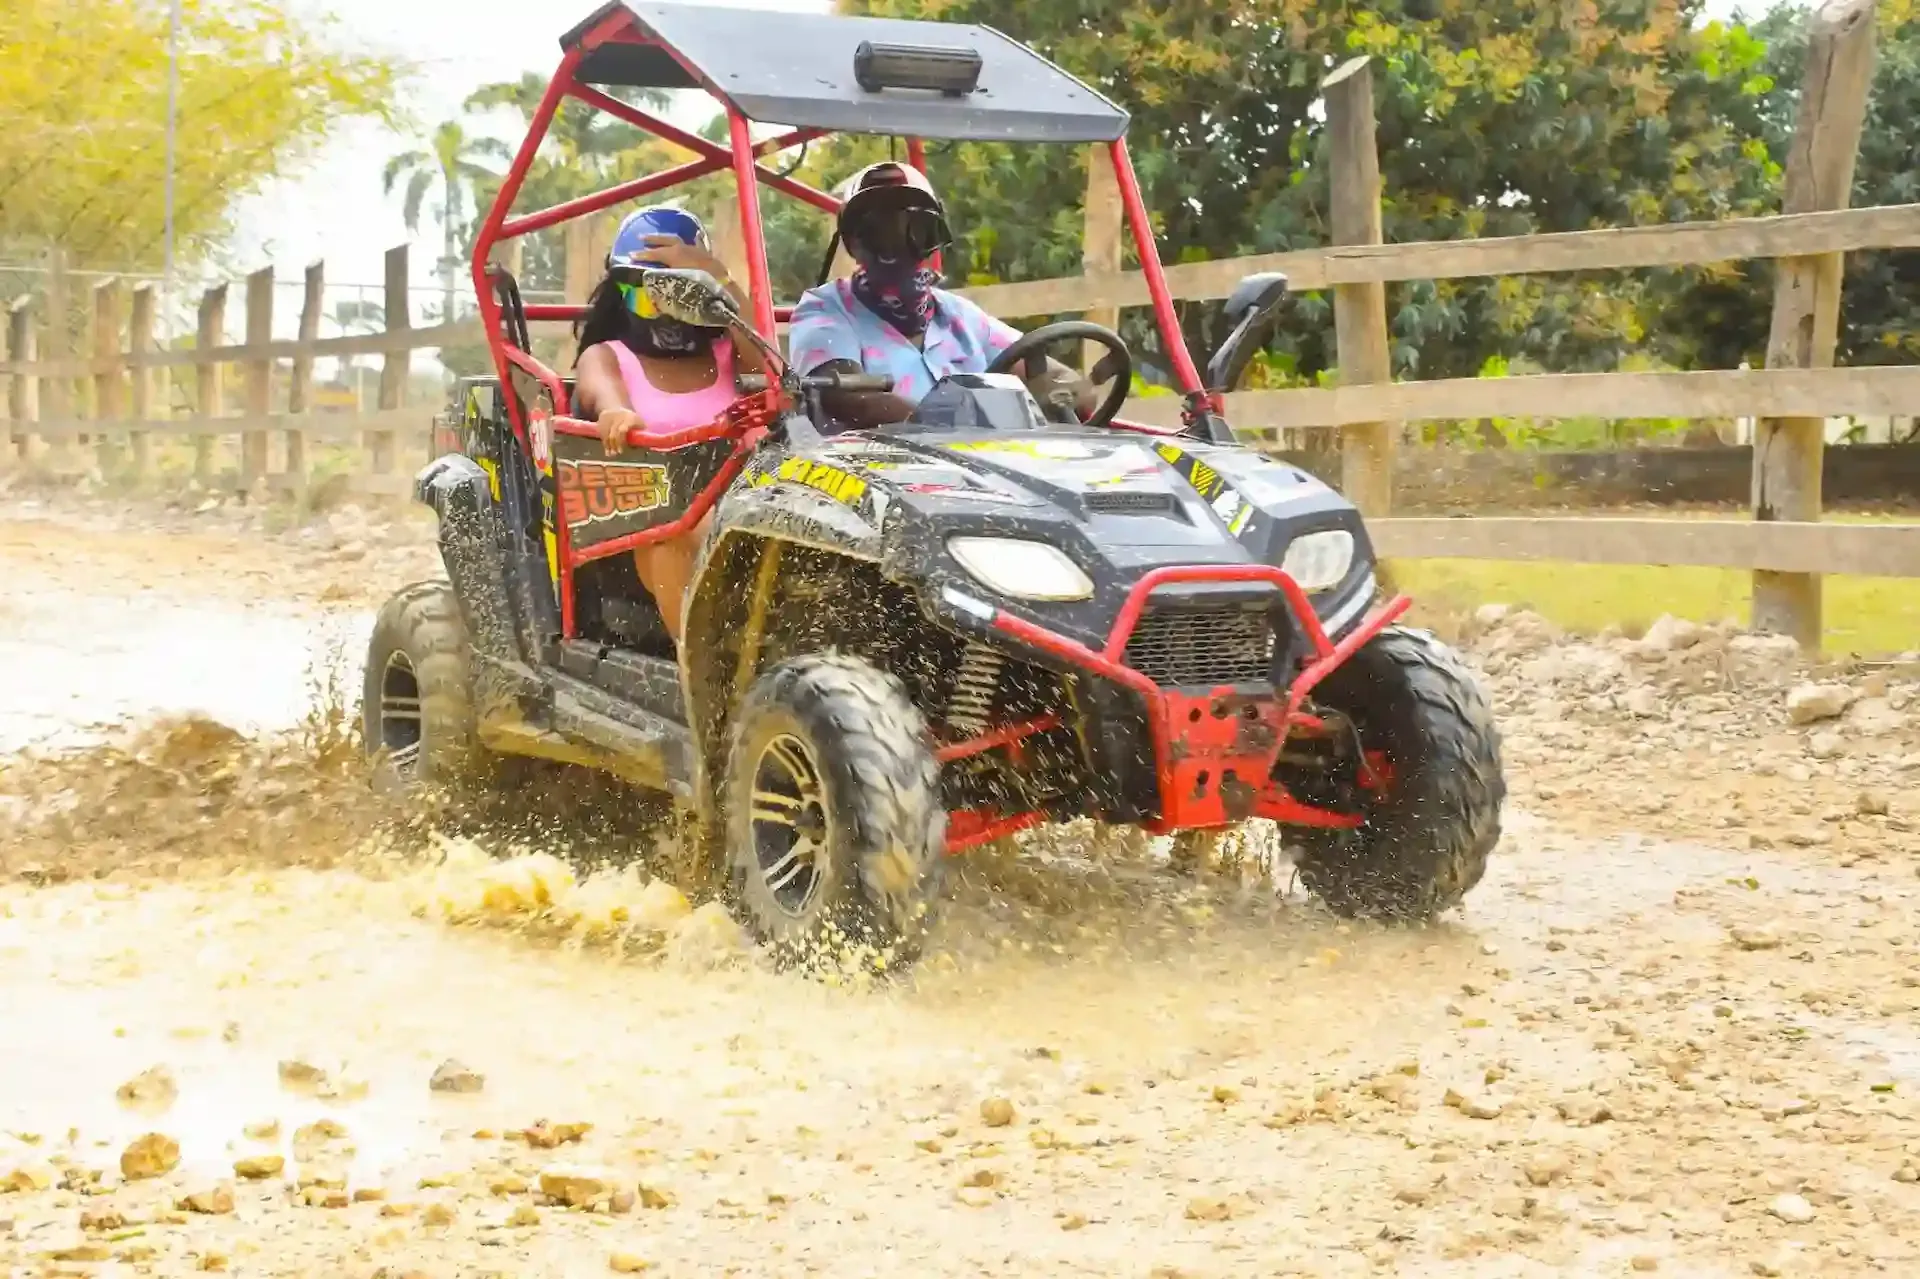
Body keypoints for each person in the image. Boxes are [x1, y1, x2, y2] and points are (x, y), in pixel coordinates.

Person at [574, 205, 766, 644]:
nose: (662, 308)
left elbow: (777, 374)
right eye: (645, 293)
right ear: (620, 293)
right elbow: (605, 394)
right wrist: (617, 412)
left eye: (678, 290)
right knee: (672, 530)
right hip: (654, 519)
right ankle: (705, 669)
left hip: (744, 506)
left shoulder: (727, 352)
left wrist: (719, 276)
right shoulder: (609, 356)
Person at [788, 161, 1097, 428]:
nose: (896, 244)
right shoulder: (826, 310)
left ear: (933, 237)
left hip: (985, 475)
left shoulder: (960, 316)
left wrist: (1062, 392)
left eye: (914, 229)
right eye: (879, 231)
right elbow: (848, 398)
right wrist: (963, 423)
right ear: (853, 243)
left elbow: (1048, 371)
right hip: (878, 481)